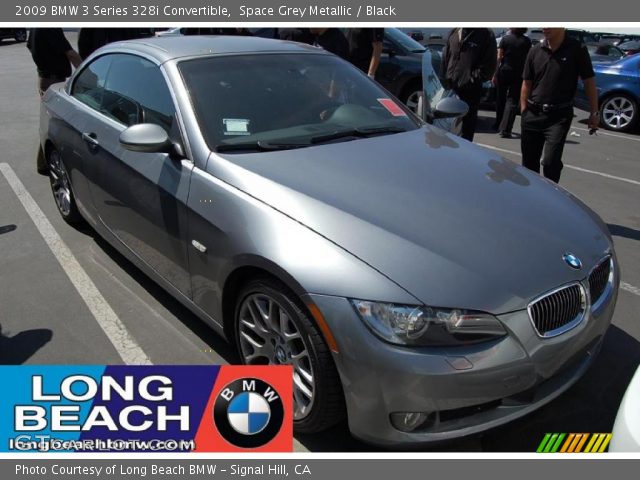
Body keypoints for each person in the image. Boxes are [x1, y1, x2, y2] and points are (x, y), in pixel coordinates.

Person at [520, 28, 599, 183]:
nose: (545, 27)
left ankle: (551, 199)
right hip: (533, 115)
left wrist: (594, 112)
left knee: (550, 162)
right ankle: (531, 201)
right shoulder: (535, 50)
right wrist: (524, 111)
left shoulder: (577, 49)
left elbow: (589, 82)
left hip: (558, 117)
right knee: (528, 166)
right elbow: (526, 83)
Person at [27, 28, 82, 175]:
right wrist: (87, 70)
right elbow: (70, 53)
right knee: (53, 123)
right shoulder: (49, 26)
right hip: (51, 79)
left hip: (45, 77)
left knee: (50, 120)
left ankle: (43, 163)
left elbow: (29, 46)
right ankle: (44, 163)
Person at [441, 28, 497, 141]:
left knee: (465, 135)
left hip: (470, 93)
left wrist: (470, 80)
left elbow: (489, 67)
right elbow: (446, 57)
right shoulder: (454, 32)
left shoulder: (486, 34)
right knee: (446, 132)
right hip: (450, 91)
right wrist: (444, 78)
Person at [493, 28, 531, 137]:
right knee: (513, 100)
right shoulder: (526, 41)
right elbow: (528, 59)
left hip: (504, 71)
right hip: (519, 73)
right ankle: (506, 128)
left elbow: (499, 57)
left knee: (500, 98)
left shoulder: (505, 39)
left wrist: (495, 74)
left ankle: (498, 123)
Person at [27, 28, 81, 97]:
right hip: (53, 80)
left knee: (47, 106)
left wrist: (42, 64)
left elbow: (30, 46)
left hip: (44, 78)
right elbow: (70, 54)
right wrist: (87, 72)